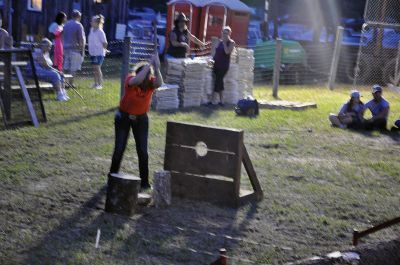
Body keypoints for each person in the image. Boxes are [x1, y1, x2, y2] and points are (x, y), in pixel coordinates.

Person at [109, 54, 163, 191]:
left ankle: (144, 182)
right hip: (124, 117)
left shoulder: (150, 84)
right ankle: (112, 176)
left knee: (143, 151)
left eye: (148, 76)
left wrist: (156, 68)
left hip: (141, 119)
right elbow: (137, 80)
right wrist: (149, 64)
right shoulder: (130, 79)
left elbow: (159, 83)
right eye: (144, 75)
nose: (146, 79)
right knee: (119, 149)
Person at [208, 26, 235, 106]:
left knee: (218, 81)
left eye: (226, 33)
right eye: (223, 33)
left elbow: (227, 52)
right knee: (219, 82)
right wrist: (212, 60)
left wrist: (224, 42)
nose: (224, 34)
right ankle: (221, 101)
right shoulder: (219, 42)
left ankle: (212, 101)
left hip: (224, 66)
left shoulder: (231, 43)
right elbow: (216, 53)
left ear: (229, 34)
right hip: (216, 64)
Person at [63, 10, 86, 81]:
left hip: (65, 48)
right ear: (79, 17)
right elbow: (81, 39)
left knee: (65, 67)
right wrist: (82, 50)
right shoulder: (78, 25)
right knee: (73, 68)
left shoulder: (66, 24)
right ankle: (70, 84)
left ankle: (63, 82)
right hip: (75, 49)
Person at [88, 15, 108, 89]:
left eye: (92, 21)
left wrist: (105, 50)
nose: (91, 22)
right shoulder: (91, 30)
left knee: (97, 68)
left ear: (97, 23)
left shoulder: (100, 32)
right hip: (92, 53)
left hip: (99, 53)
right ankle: (95, 83)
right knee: (94, 68)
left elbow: (105, 43)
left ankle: (100, 84)